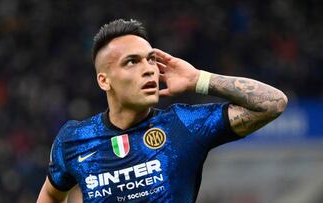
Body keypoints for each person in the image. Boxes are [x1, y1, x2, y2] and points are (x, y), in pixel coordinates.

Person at [37, 19, 288, 203]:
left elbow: (273, 103)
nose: (149, 69)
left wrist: (198, 79)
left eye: (151, 59)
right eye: (132, 62)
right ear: (104, 81)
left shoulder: (183, 125)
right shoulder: (73, 139)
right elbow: (51, 193)